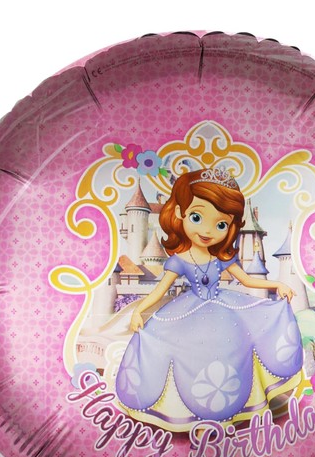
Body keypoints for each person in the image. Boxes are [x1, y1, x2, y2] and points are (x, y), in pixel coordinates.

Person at [115, 168, 303, 432]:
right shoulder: (179, 260)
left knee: (232, 353)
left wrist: (277, 284)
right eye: (197, 217)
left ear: (230, 226)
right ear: (180, 214)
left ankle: (227, 412)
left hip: (224, 311)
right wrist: (139, 311)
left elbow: (248, 280)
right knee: (186, 354)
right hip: (188, 313)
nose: (207, 230)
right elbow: (159, 290)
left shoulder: (222, 257)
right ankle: (192, 416)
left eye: (221, 224)